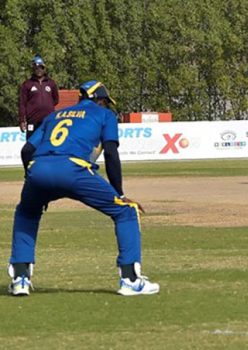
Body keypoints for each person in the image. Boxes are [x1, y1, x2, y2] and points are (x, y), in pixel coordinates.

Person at [7, 80, 159, 296]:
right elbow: (110, 153)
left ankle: (20, 279)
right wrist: (120, 194)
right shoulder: (104, 115)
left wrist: (32, 180)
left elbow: (26, 150)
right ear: (100, 100)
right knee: (125, 211)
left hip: (38, 168)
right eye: (105, 102)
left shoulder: (54, 115)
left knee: (26, 212)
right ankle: (130, 280)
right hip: (74, 169)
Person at [18, 55, 59, 140]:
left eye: (41, 67)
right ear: (33, 69)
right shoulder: (27, 84)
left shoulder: (51, 83)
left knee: (47, 143)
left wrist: (46, 107)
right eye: (36, 68)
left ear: (44, 69)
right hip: (33, 120)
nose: (39, 70)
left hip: (48, 120)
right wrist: (22, 120)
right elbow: (22, 104)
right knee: (31, 146)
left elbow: (56, 100)